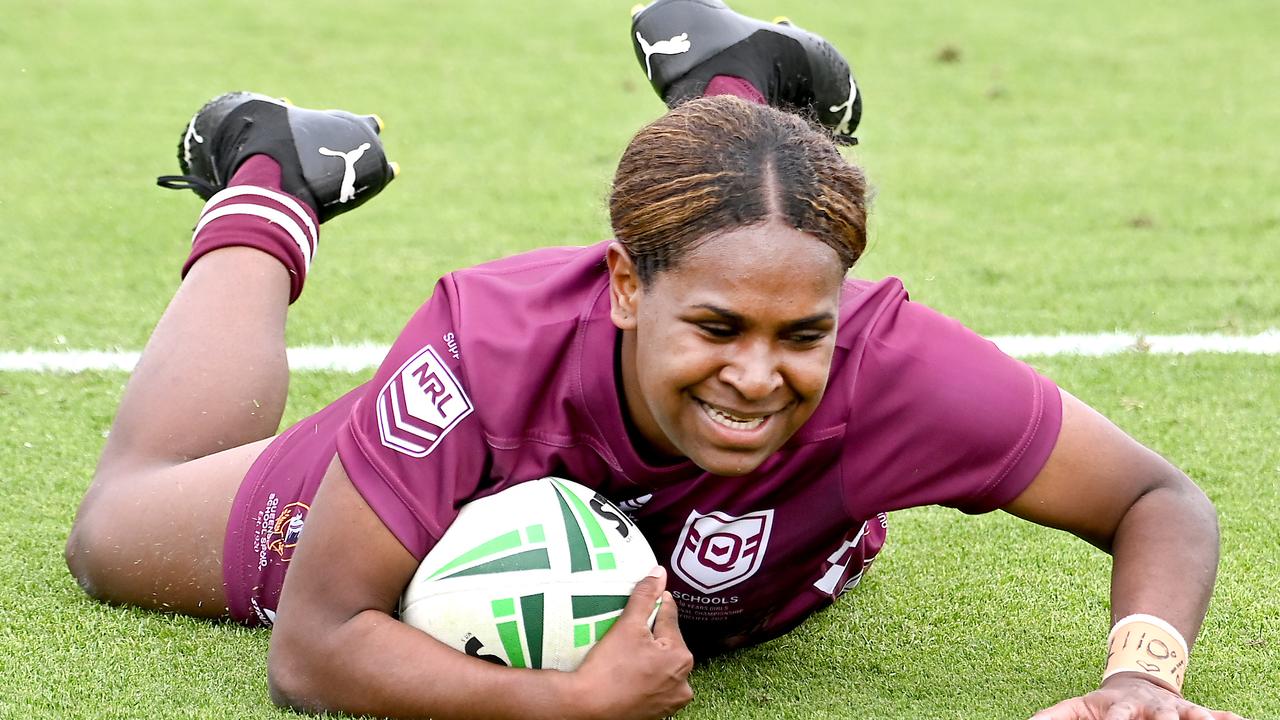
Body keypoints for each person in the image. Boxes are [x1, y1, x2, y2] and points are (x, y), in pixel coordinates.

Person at [65, 1, 1243, 718]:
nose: (758, 377)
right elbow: (317, 648)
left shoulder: (893, 370)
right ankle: (272, 176)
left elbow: (1153, 496)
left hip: (730, 560)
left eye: (803, 335)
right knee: (116, 533)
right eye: (717, 330)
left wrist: (1141, 673)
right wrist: (565, 704)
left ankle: (734, 94)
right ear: (625, 287)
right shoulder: (486, 356)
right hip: (429, 489)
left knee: (742, 231)